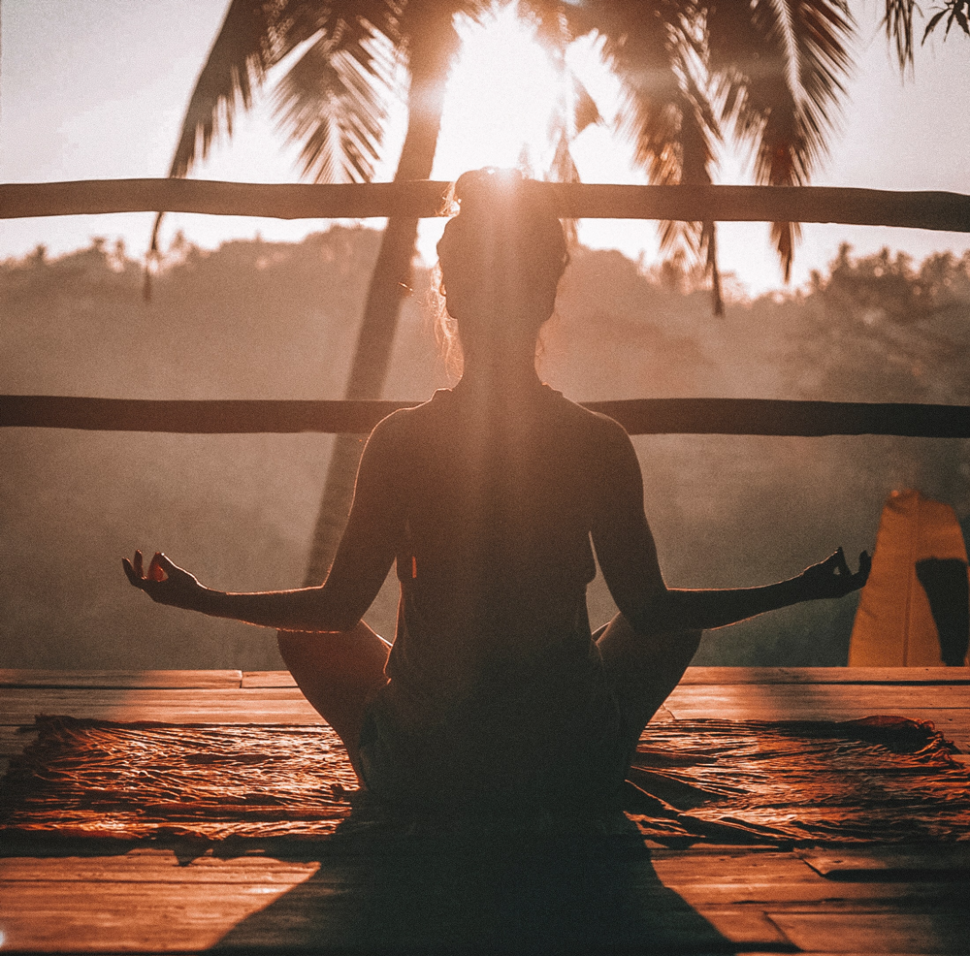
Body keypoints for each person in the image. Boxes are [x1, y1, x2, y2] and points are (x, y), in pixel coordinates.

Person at [124, 168, 870, 813]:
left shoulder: (401, 441)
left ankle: (405, 755)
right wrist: (798, 589)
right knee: (671, 626)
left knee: (306, 636)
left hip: (427, 774)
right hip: (567, 769)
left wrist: (201, 597)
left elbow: (335, 609)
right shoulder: (597, 442)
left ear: (450, 299)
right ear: (547, 299)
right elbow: (653, 611)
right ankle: (594, 753)